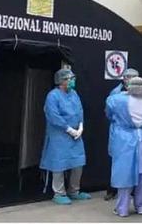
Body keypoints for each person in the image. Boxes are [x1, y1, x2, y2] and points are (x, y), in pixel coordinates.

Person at [106, 77, 142, 217]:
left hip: (125, 139)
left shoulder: (117, 100)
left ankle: (122, 208)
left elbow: (109, 113)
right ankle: (141, 206)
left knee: (125, 173)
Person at [40, 68, 92, 205]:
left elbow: (80, 110)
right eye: (69, 79)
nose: (72, 81)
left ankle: (74, 191)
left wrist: (80, 127)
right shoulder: (53, 96)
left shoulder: (74, 94)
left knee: (78, 162)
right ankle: (59, 193)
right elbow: (53, 115)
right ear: (61, 81)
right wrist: (68, 129)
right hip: (59, 134)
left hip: (76, 134)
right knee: (59, 164)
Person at [105, 68, 140, 201]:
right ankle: (113, 189)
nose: (129, 80)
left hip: (136, 132)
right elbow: (108, 112)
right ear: (123, 78)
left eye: (133, 77)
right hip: (119, 132)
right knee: (117, 161)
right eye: (127, 77)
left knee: (135, 162)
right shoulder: (115, 93)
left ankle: (133, 190)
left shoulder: (141, 93)